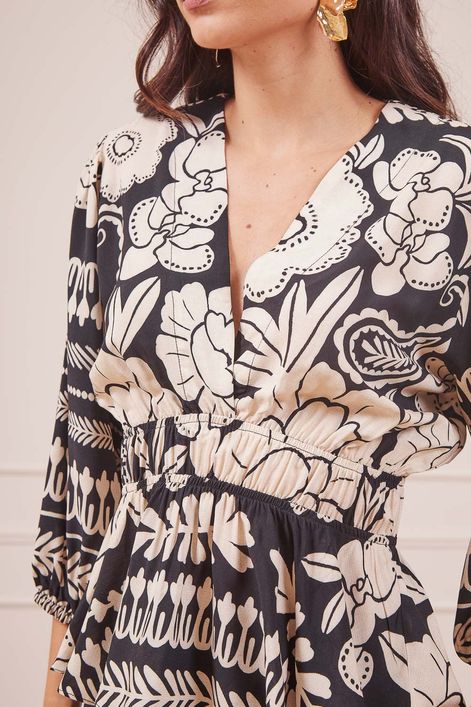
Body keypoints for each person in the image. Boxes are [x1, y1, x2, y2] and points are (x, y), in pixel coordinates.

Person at [32, 0, 471, 704]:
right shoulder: (126, 175)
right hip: (138, 664)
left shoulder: (447, 183)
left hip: (349, 664)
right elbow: (85, 464)